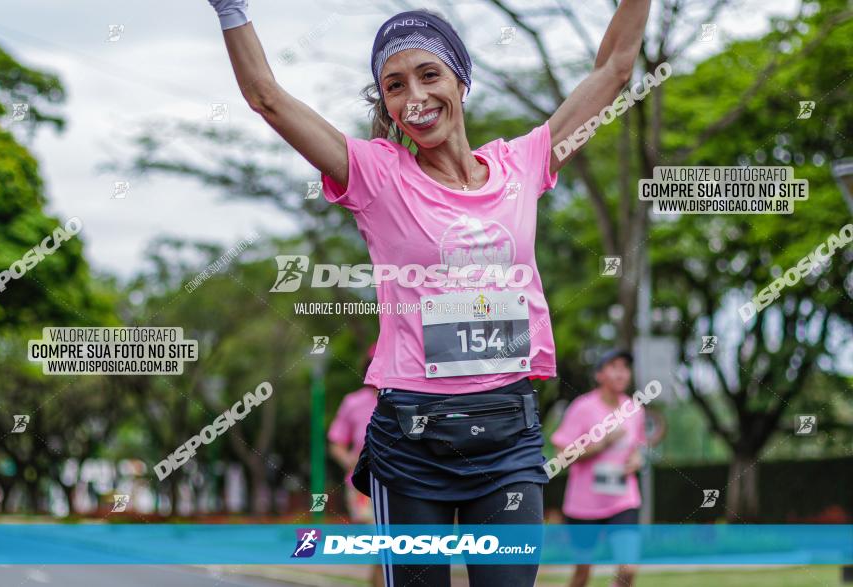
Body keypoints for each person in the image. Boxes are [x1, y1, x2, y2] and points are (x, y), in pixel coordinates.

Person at [205, 2, 650, 585]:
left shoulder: (523, 164)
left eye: (429, 75)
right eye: (395, 85)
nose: (414, 96)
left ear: (461, 83)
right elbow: (267, 96)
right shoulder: (375, 175)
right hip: (413, 444)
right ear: (386, 104)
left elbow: (615, 68)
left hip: (508, 437)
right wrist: (230, 8)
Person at [550, 350, 646, 587]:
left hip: (623, 500)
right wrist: (602, 442)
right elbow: (561, 456)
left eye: (625, 367)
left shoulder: (635, 409)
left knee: (628, 569)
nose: (621, 372)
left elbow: (637, 447)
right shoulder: (582, 408)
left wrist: (637, 460)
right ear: (599, 374)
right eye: (614, 366)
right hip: (584, 504)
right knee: (582, 574)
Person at [327, 344, 383, 587]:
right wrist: (349, 460)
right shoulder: (353, 402)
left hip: (399, 478)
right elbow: (336, 443)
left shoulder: (403, 397)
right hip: (362, 485)